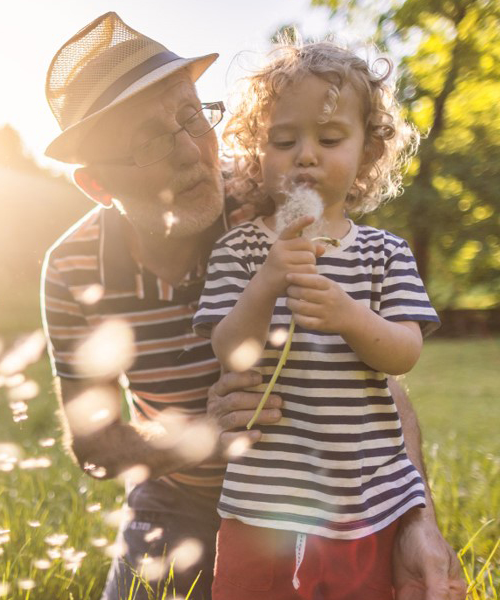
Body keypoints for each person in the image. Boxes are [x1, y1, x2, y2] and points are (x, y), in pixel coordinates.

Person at [41, 12, 466, 600]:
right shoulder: (73, 270)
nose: (191, 153)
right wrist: (202, 437)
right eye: (148, 142)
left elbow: (370, 375)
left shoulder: (274, 198)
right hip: (177, 497)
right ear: (97, 185)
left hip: (321, 497)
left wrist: (415, 518)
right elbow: (95, 444)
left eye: (193, 116)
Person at [192, 39, 443, 599]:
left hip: (365, 498)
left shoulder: (384, 253)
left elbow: (404, 352)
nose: (305, 155)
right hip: (264, 500)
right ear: (257, 152)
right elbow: (230, 351)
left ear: (367, 152)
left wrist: (351, 316)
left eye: (329, 139)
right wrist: (266, 284)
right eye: (284, 140)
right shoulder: (240, 252)